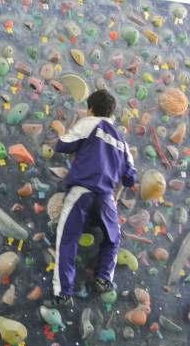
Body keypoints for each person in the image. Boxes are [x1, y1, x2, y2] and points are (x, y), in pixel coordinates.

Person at [43, 90, 137, 308]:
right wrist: (115, 193)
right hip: (105, 198)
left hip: (81, 193)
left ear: (90, 108)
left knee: (67, 240)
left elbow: (64, 144)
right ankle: (104, 279)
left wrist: (60, 130)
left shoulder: (90, 122)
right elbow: (131, 177)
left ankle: (63, 294)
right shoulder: (121, 140)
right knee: (113, 237)